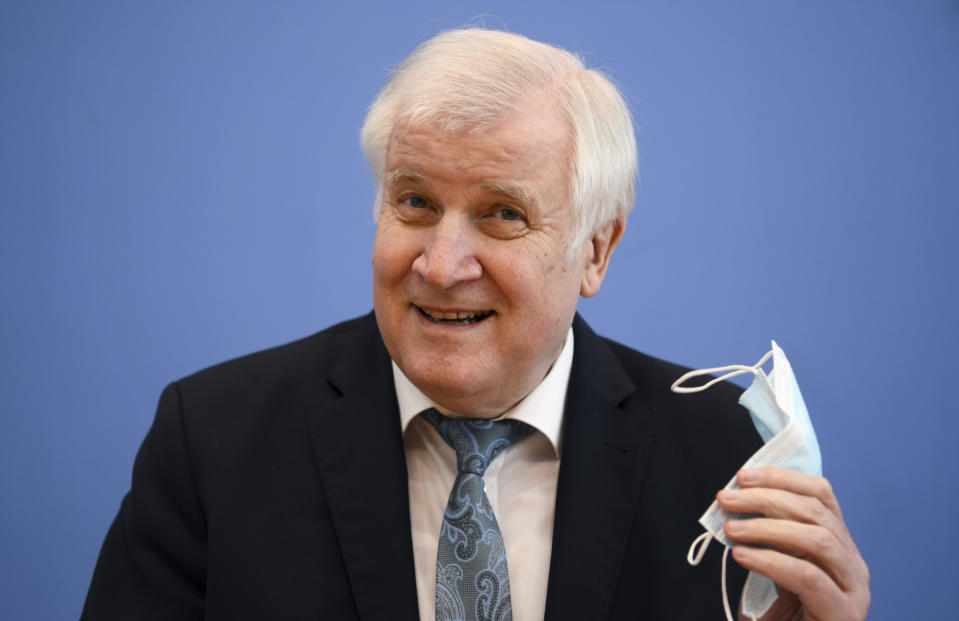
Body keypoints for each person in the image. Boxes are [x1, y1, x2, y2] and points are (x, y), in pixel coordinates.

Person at [81, 28, 869, 621]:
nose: (440, 262)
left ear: (595, 250)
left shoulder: (728, 457)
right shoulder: (212, 438)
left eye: (501, 213)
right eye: (415, 202)